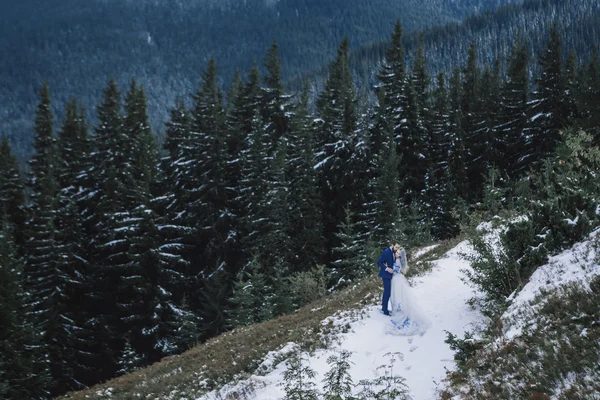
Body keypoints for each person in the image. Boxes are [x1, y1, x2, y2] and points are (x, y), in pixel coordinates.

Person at [389, 248, 430, 335]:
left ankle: (400, 311)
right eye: (396, 252)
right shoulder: (395, 260)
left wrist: (389, 269)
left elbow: (395, 270)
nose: (396, 253)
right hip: (396, 279)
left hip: (397, 279)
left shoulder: (398, 261)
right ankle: (398, 309)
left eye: (398, 253)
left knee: (398, 295)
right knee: (396, 296)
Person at [377, 243, 400, 316]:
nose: (397, 249)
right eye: (396, 247)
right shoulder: (387, 252)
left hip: (391, 275)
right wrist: (387, 268)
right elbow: (379, 262)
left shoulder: (394, 253)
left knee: (389, 292)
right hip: (386, 275)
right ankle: (384, 310)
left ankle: (385, 308)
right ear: (392, 245)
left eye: (398, 248)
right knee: (387, 292)